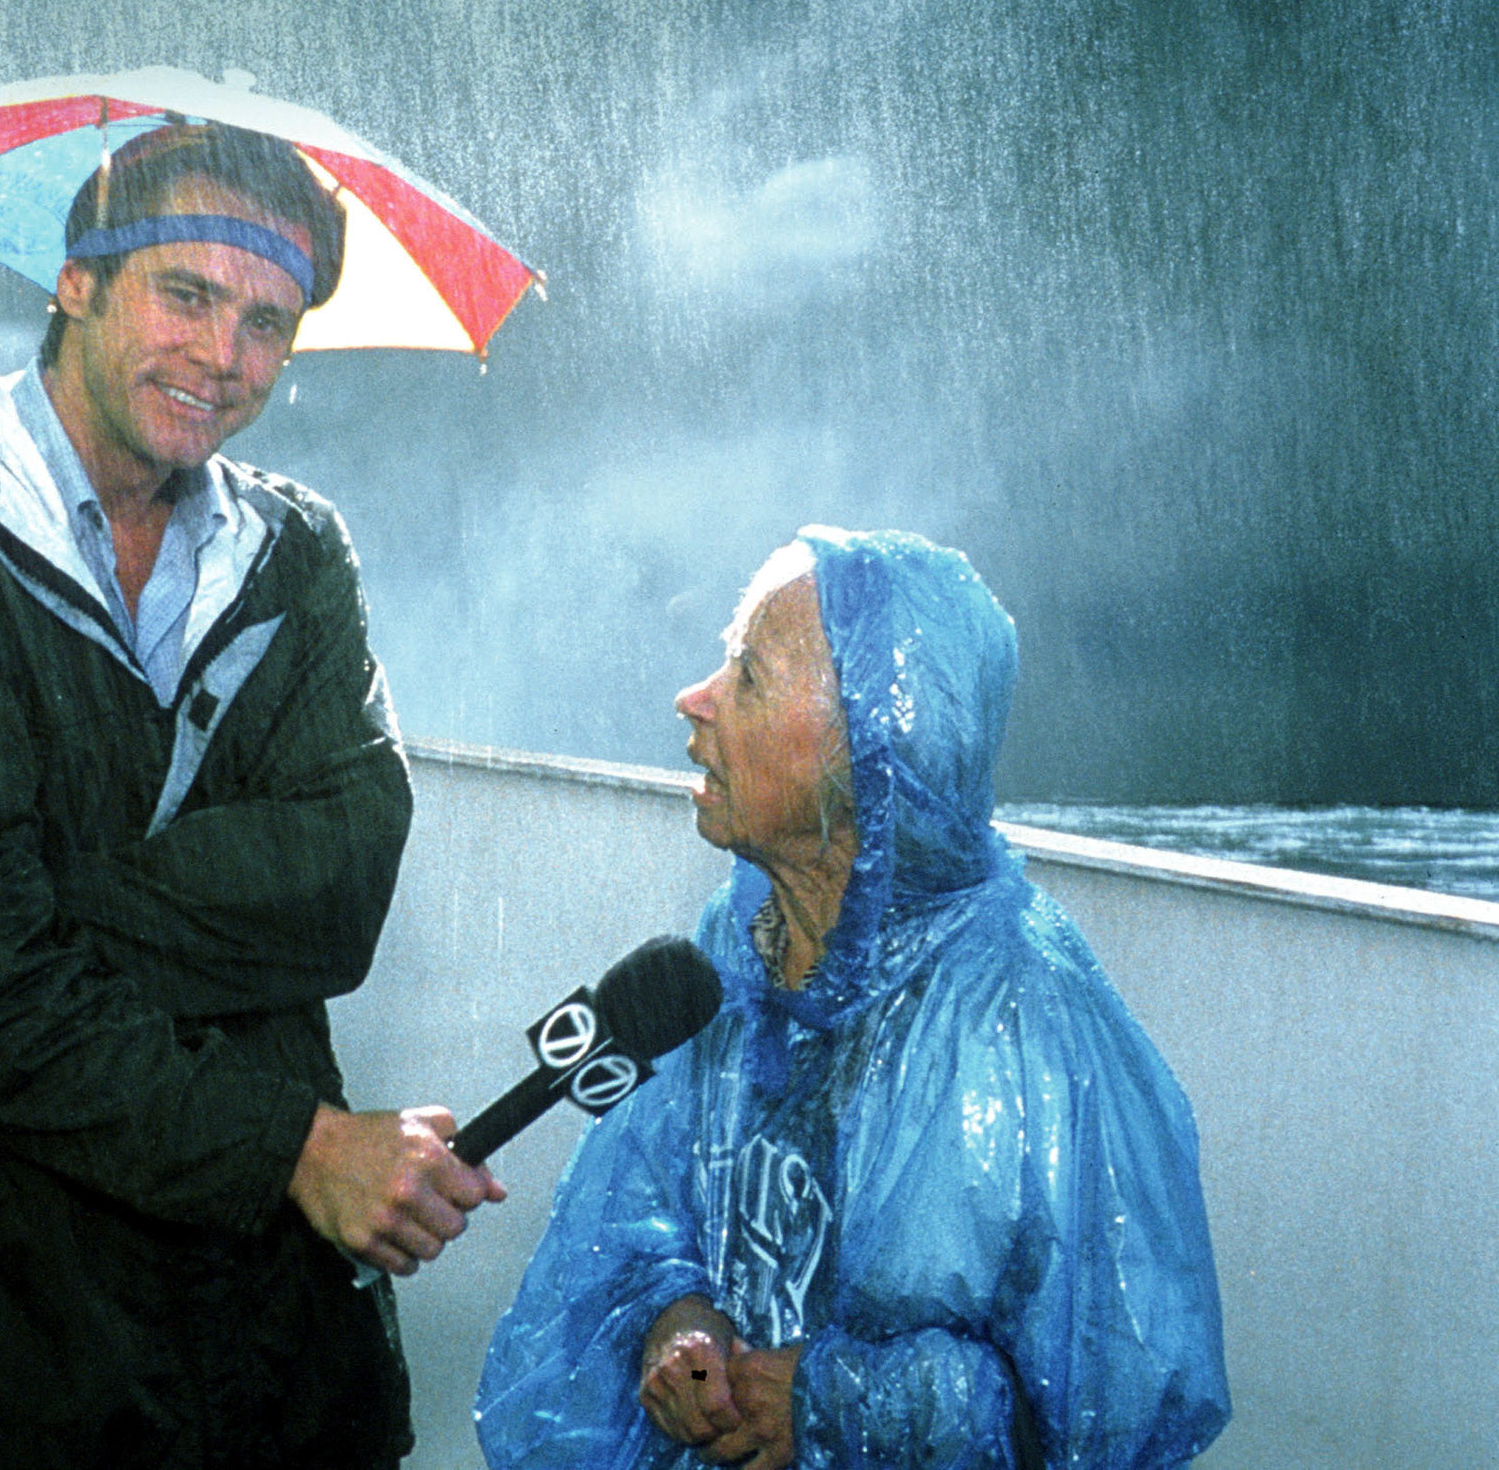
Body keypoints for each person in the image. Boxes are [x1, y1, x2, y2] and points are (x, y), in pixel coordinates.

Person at [0, 120, 504, 1470]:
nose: (224, 356)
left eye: (268, 322)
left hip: (258, 1332)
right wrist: (294, 1144)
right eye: (187, 294)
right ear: (78, 281)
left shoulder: (294, 551)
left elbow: (340, 885)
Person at [475, 528, 1231, 1470]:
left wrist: (845, 1407)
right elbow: (635, 1211)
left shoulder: (1029, 1016)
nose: (696, 699)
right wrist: (677, 1321)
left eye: (748, 677)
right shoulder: (732, 950)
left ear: (876, 746)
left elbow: (1124, 1405)